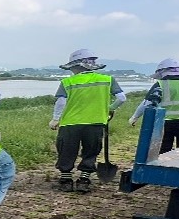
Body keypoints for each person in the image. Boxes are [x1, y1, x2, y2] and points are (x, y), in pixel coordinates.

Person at [49, 48, 126, 192]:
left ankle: (66, 179)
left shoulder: (67, 82)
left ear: (76, 66)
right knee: (91, 150)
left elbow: (60, 102)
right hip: (96, 122)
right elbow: (122, 98)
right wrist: (110, 108)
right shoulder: (107, 80)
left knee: (67, 150)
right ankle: (84, 180)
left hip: (70, 123)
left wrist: (55, 119)